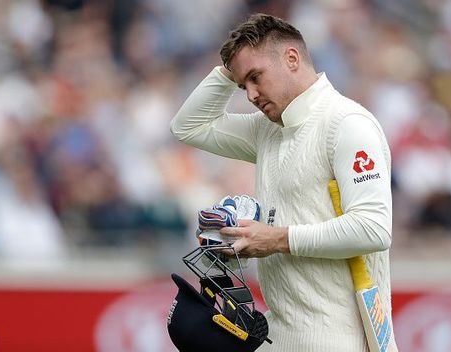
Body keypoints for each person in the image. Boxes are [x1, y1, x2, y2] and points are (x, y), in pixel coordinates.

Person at [170, 13, 398, 352]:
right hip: (278, 335)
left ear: (292, 58)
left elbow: (374, 228)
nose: (249, 94)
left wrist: (276, 239)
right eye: (242, 84)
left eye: (255, 77)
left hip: (343, 339)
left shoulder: (347, 124)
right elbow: (188, 126)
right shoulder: (268, 129)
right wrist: (228, 71)